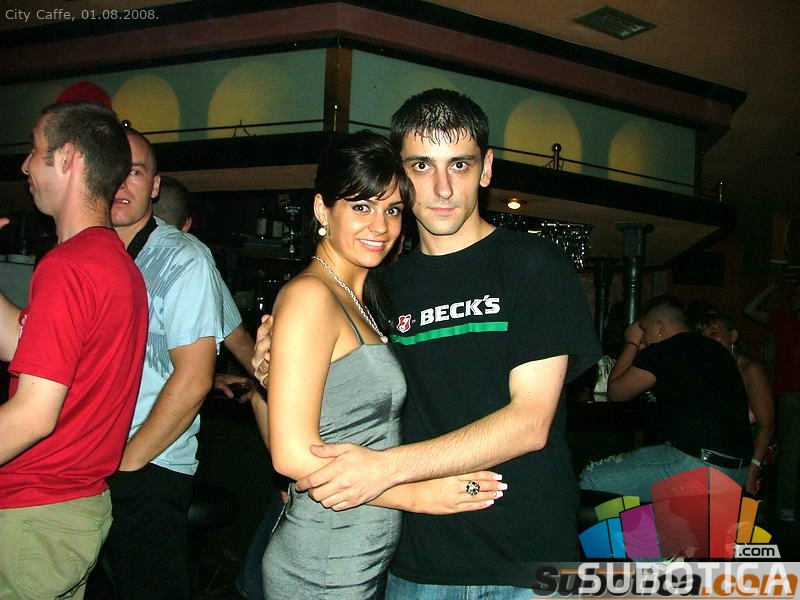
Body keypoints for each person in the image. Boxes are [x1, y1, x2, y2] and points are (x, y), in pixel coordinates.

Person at [255, 90, 600, 597]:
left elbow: (530, 422)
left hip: (525, 555)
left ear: (485, 169)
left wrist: (383, 471)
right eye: (421, 165)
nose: (441, 187)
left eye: (459, 164)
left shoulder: (533, 265)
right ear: (400, 174)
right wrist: (272, 367)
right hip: (415, 562)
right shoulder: (380, 287)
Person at [259, 130, 503, 599]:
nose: (379, 226)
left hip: (359, 552)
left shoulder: (363, 297)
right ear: (321, 210)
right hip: (324, 560)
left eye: (392, 210)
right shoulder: (310, 296)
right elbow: (291, 454)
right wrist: (417, 494)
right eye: (361, 206)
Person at [0, 101, 148, 598]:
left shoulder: (69, 268)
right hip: (69, 509)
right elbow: (23, 342)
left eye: (35, 151)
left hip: (35, 510)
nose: (25, 166)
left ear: (67, 158)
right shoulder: (111, 263)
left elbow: (33, 416)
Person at [101, 127, 226, 599]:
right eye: (114, 171)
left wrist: (129, 463)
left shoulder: (183, 257)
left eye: (135, 172)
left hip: (149, 463)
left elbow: (193, 379)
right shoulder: (88, 253)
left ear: (154, 185)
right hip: (90, 461)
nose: (121, 184)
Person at [579, 295, 754, 501]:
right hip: (737, 470)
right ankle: (660, 522)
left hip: (698, 465)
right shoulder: (716, 350)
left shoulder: (662, 350)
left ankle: (641, 523)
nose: (644, 339)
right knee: (650, 478)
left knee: (592, 479)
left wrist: (631, 343)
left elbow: (617, 393)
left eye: (645, 331)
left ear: (659, 327)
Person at [154, 175, 256, 397]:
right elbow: (238, 339)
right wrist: (275, 389)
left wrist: (206, 376)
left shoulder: (108, 248)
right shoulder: (193, 256)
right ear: (187, 225)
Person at [695, 309, 775, 496]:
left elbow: (767, 425)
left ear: (733, 336)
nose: (707, 340)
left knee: (742, 512)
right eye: (703, 336)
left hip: (750, 457)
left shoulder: (750, 370)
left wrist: (753, 469)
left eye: (714, 333)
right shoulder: (709, 371)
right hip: (718, 458)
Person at [744, 275, 800, 522]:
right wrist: (772, 287)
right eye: (794, 294)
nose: (795, 298)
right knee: (791, 452)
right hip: (791, 394)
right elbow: (749, 310)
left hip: (790, 394)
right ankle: (786, 506)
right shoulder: (785, 321)